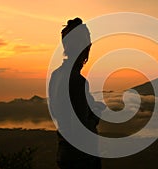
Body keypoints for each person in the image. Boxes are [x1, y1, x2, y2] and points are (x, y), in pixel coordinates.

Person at [49, 18, 105, 169]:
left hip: (64, 154)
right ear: (86, 47)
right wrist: (97, 113)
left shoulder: (56, 76)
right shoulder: (77, 81)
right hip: (82, 159)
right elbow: (81, 129)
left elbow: (56, 112)